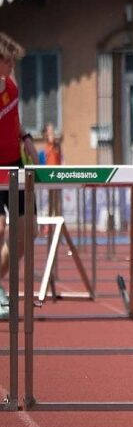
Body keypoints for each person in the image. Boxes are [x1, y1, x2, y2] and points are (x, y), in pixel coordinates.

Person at [0, 32, 38, 320]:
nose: (12, 66)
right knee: (0, 229)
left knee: (29, 231)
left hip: (15, 162)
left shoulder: (11, 85)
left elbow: (13, 118)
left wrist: (24, 135)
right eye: (8, 62)